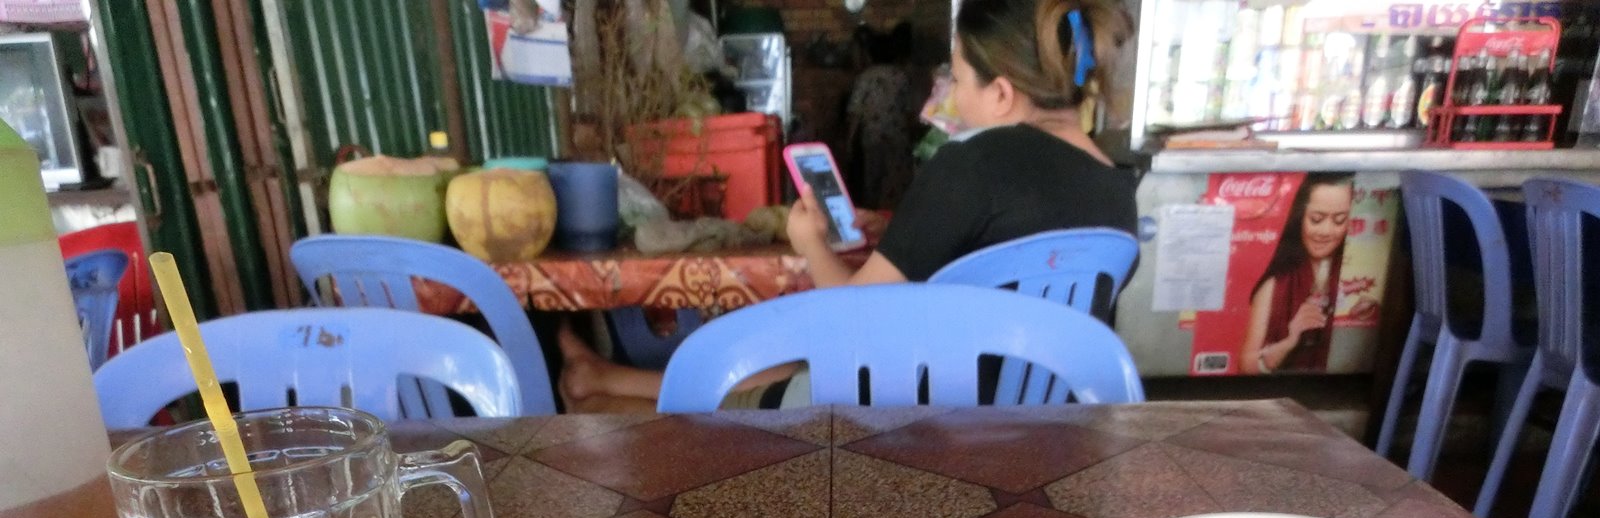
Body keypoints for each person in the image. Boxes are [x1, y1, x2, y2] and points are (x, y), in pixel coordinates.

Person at [558, 0, 1137, 412]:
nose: (951, 95)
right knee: (796, 367)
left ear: (1002, 93)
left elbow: (854, 325)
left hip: (914, 420)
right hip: (1044, 428)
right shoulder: (1116, 191)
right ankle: (602, 375)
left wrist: (811, 243)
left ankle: (603, 393)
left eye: (958, 79)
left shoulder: (973, 163)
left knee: (744, 393)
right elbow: (1002, 260)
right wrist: (898, 228)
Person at [1240, 173, 1355, 375]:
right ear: (1299, 217)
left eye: (1339, 221)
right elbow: (1246, 365)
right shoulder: (1275, 284)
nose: (1326, 231)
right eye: (1316, 219)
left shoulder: (1356, 274)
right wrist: (1289, 341)